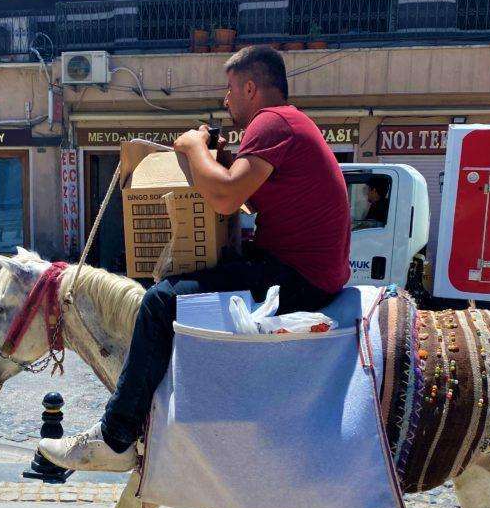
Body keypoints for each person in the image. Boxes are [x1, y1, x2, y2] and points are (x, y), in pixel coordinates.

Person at [41, 45, 352, 471]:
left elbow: (224, 197)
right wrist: (215, 156)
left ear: (250, 87)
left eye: (229, 90)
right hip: (303, 268)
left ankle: (115, 436)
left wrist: (191, 147)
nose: (226, 101)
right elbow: (236, 187)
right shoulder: (288, 124)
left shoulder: (271, 122)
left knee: (159, 302)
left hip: (297, 277)